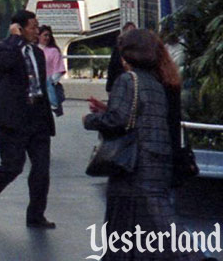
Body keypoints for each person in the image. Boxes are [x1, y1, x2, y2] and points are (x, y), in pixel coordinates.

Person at [83, 29, 201, 261]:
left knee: (127, 230)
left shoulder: (128, 80)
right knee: (159, 227)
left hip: (133, 168)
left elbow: (118, 120)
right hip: (157, 164)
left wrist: (90, 120)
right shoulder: (159, 82)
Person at [0, 9, 57, 228]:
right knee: (12, 166)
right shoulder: (2, 49)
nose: (36, 31)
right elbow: (4, 66)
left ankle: (36, 215)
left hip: (38, 117)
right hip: (13, 118)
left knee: (41, 170)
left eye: (37, 26)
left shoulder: (38, 53)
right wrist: (14, 39)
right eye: (32, 27)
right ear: (19, 29)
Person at [37, 25, 66, 116]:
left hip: (48, 84)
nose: (47, 38)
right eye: (45, 35)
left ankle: (54, 105)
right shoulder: (32, 49)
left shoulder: (53, 51)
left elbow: (59, 69)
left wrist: (51, 81)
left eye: (48, 35)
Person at [106, 21, 137, 92]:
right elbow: (112, 68)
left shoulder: (138, 50)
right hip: (120, 84)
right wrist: (109, 88)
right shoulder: (118, 49)